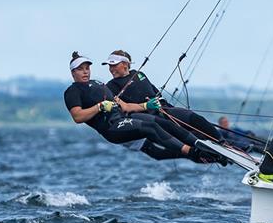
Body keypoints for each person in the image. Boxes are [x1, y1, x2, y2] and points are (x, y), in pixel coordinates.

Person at [63, 51, 222, 163]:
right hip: (112, 127)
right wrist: (99, 107)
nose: (85, 72)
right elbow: (78, 117)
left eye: (87, 68)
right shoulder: (72, 91)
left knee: (161, 122)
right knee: (150, 127)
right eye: (80, 69)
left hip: (123, 117)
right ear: (72, 73)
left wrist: (145, 105)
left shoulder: (97, 83)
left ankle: (198, 144)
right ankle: (192, 151)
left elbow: (124, 106)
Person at [103, 50, 222, 142]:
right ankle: (205, 150)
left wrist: (166, 105)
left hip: (164, 109)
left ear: (125, 64)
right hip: (149, 117)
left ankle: (223, 143)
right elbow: (125, 107)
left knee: (195, 118)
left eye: (114, 65)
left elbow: (156, 94)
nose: (111, 69)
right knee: (179, 131)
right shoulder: (111, 86)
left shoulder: (138, 74)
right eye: (109, 66)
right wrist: (146, 106)